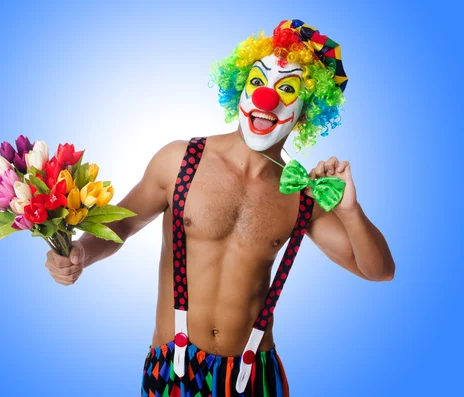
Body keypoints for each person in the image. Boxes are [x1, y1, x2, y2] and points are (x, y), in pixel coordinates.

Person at [45, 19, 395, 397]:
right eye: (258, 83)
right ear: (240, 87)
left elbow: (378, 271)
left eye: (287, 89)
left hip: (254, 375)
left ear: (308, 109)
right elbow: (122, 227)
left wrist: (349, 210)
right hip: (173, 369)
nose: (266, 99)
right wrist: (80, 251)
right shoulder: (179, 160)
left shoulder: (303, 193)